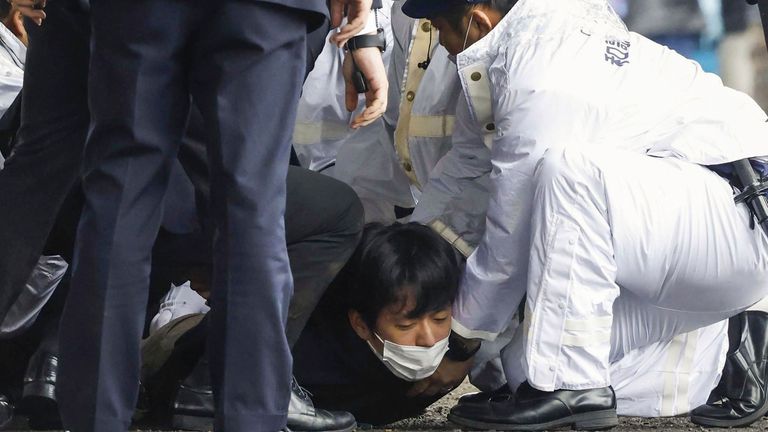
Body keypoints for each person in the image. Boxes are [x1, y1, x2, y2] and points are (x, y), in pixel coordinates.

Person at [400, 0, 768, 430]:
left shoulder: (543, 67)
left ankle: (570, 387)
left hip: (738, 212)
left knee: (569, 174)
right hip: (678, 234)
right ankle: (730, 349)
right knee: (518, 367)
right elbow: (464, 173)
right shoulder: (506, 48)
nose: (439, 44)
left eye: (439, 28)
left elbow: (510, 230)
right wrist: (406, 259)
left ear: (478, 20)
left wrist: (460, 342)